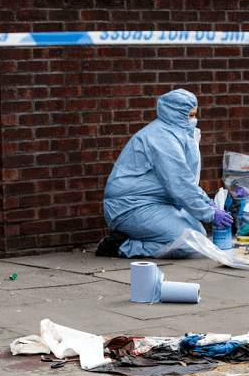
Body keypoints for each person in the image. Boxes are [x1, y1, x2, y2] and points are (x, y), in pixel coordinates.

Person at [97, 88, 233, 258]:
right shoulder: (162, 138)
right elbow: (179, 183)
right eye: (189, 115)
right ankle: (122, 246)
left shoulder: (176, 133)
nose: (194, 120)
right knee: (187, 242)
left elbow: (185, 180)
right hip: (130, 206)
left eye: (195, 114)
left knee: (199, 237)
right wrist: (209, 212)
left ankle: (136, 235)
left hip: (154, 203)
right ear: (175, 113)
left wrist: (206, 202)